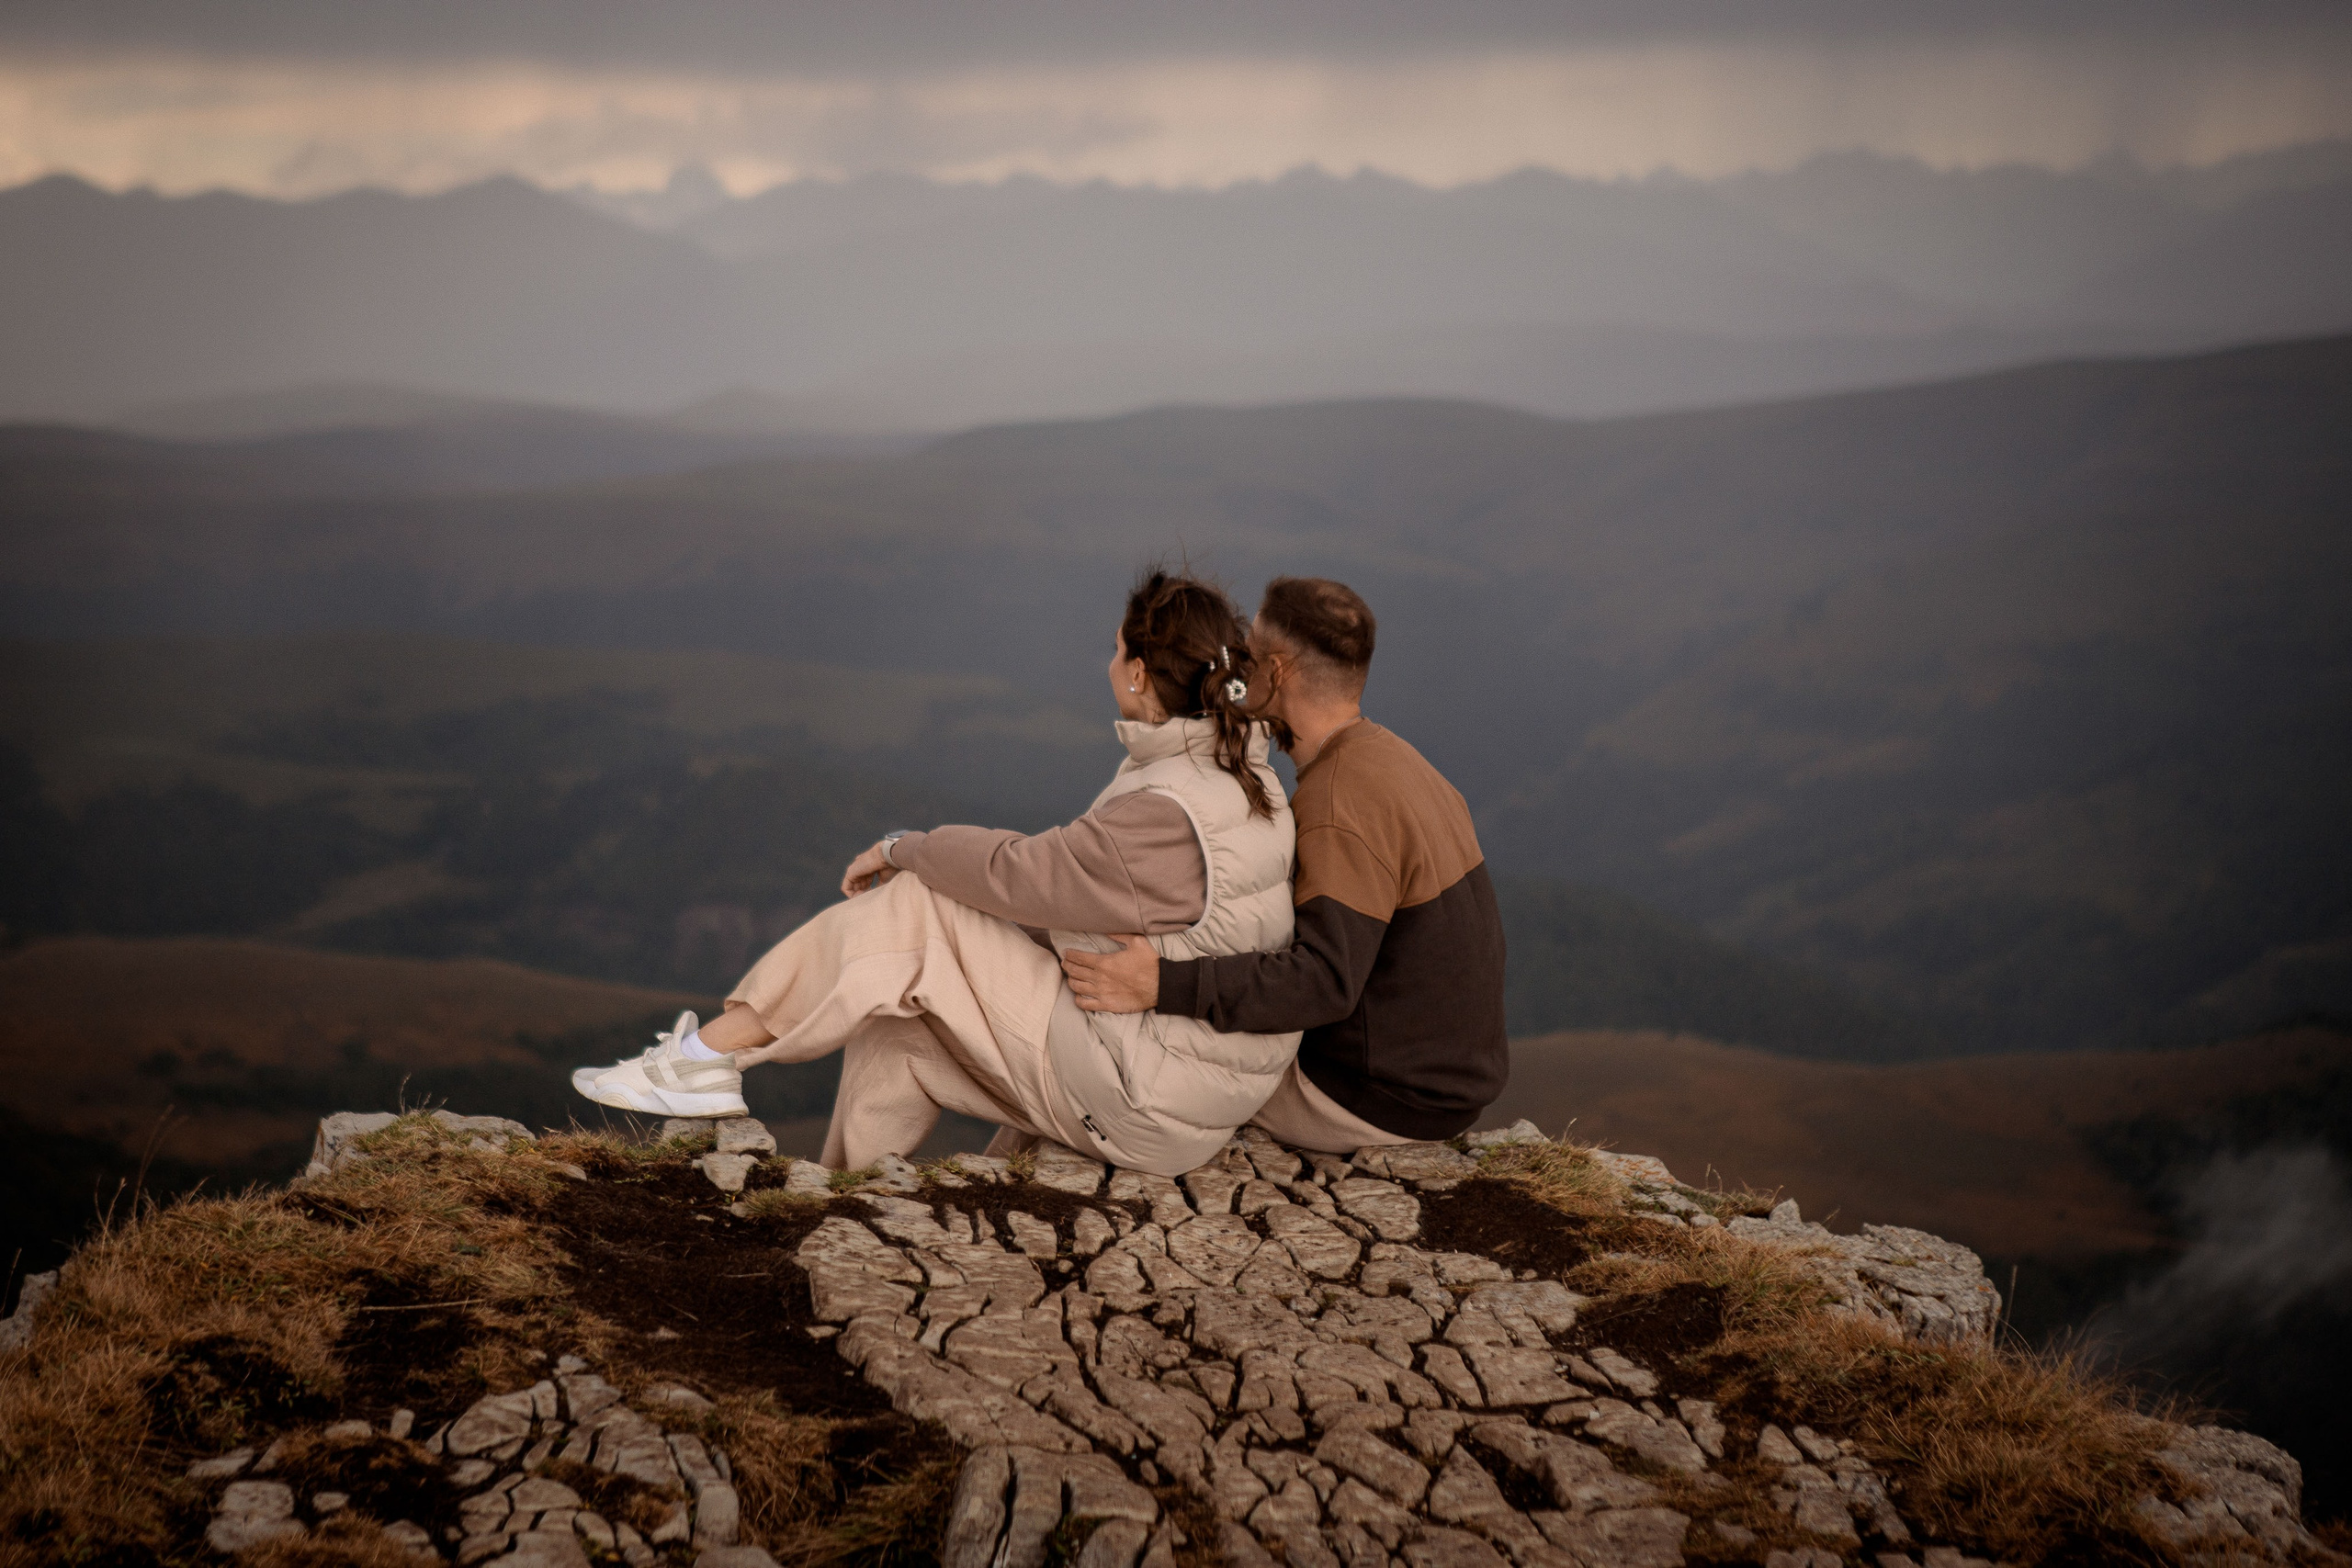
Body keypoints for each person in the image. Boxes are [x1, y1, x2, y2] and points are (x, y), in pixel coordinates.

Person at [568, 569, 1302, 1178]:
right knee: (898, 1022)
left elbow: (1024, 875)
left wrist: (902, 848)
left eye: (1113, 650)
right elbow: (1069, 887)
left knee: (919, 907)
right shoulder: (1240, 773)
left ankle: (703, 1058)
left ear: (1139, 673)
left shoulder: (1170, 809)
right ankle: (841, 1196)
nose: (1107, 662)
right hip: (1186, 1080)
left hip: (1151, 1092)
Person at [1061, 577, 1508, 1151]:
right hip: (1439, 1087)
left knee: (1103, 1054)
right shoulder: (1401, 766)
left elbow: (1323, 983)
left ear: (1274, 672)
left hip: (1374, 1097)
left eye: (1246, 654)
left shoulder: (1338, 802)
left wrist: (1163, 983)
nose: (1233, 666)